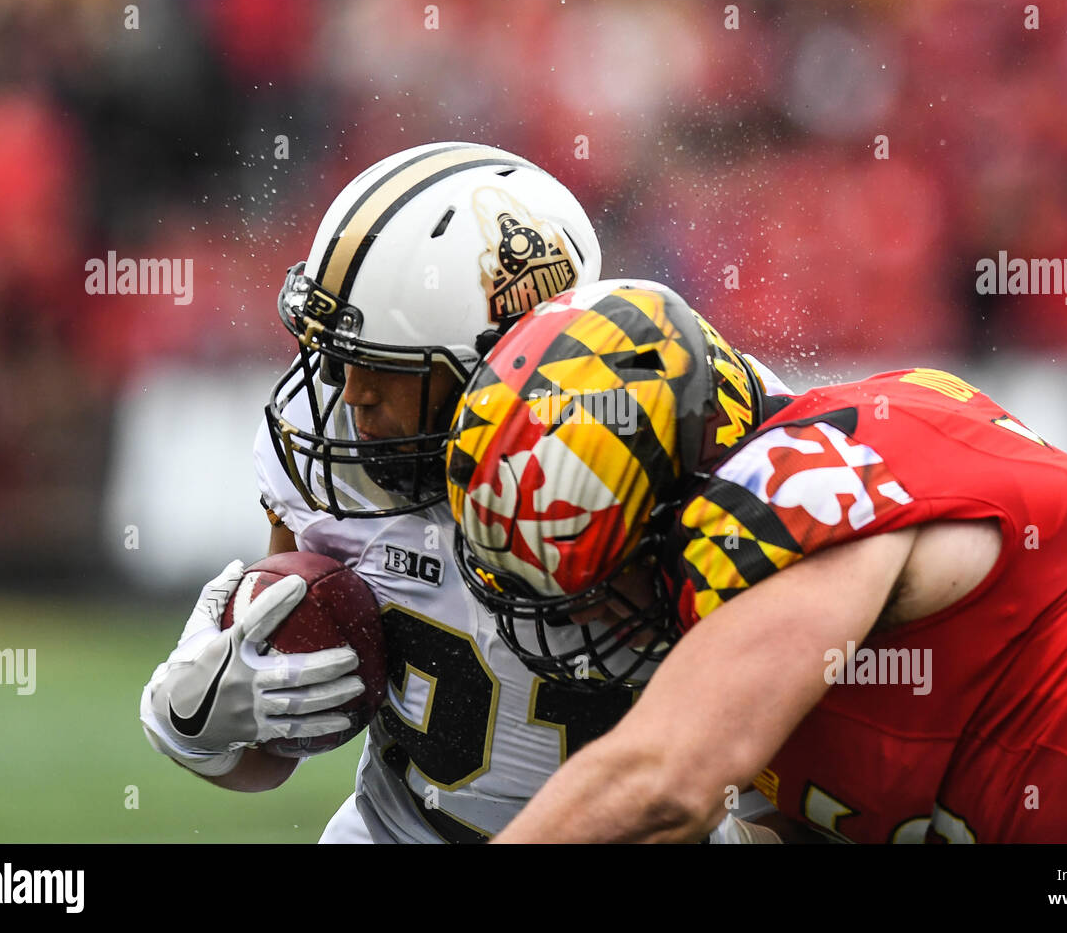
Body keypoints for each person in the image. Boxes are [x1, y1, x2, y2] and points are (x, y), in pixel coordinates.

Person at [138, 144, 780, 842]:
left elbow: (791, 798)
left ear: (508, 364)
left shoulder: (704, 441)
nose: (350, 394)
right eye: (340, 356)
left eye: (386, 367)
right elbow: (277, 744)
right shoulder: (327, 444)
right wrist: (199, 720)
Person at [446, 277, 1067, 843]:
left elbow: (662, 782)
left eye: (598, 579)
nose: (589, 618)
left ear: (672, 493)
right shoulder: (772, 622)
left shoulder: (788, 487)